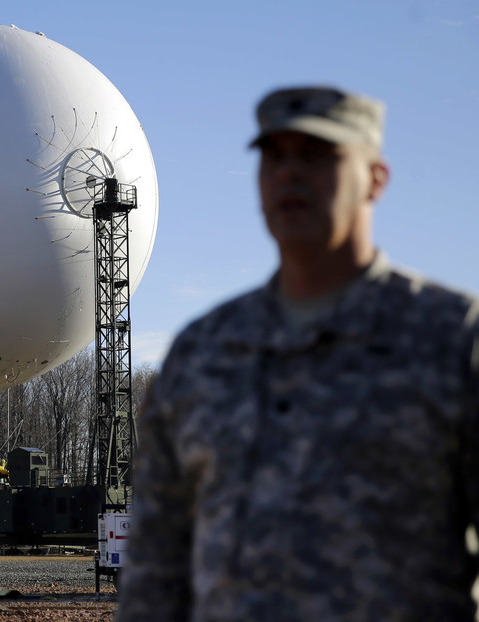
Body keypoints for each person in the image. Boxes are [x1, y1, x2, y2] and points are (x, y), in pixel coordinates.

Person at [116, 86, 479, 621]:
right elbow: (155, 569)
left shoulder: (450, 339)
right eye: (273, 156)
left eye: (317, 155)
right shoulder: (202, 353)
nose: (289, 173)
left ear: (376, 178)